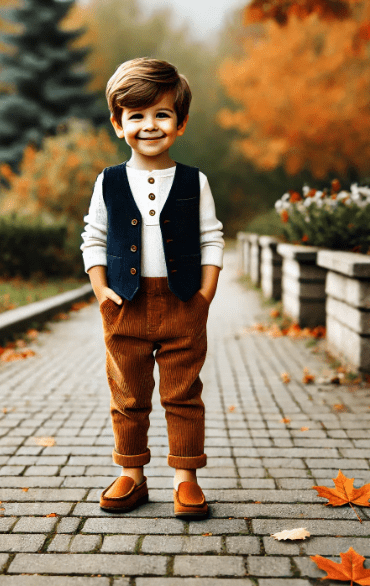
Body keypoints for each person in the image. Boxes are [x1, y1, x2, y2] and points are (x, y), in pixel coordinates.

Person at [81, 57, 224, 517]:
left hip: (183, 301)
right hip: (125, 303)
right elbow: (94, 237)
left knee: (183, 393)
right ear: (117, 124)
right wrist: (102, 291)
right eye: (136, 115)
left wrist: (206, 294)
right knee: (128, 394)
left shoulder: (194, 180)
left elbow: (211, 237)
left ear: (180, 123)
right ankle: (132, 475)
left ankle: (186, 479)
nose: (149, 125)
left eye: (161, 114)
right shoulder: (108, 181)